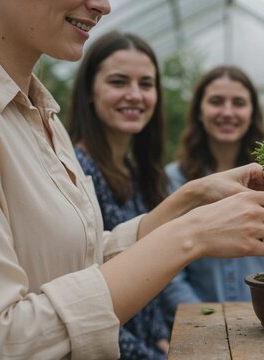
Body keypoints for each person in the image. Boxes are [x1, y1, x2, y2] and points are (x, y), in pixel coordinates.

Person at [0, 1, 264, 359]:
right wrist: (190, 234)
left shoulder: (41, 115)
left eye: (146, 83)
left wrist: (194, 195)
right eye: (119, 82)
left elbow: (84, 262)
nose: (103, 6)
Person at [159, 65, 264, 327]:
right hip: (193, 325)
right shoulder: (175, 182)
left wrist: (261, 316)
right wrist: (203, 318)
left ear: (251, 113)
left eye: (238, 103)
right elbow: (165, 270)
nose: (227, 112)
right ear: (200, 112)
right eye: (216, 101)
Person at [67, 31, 170, 359]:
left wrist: (163, 340)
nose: (135, 95)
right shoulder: (76, 171)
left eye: (146, 83)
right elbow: (81, 297)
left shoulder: (139, 172)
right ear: (89, 92)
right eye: (118, 82)